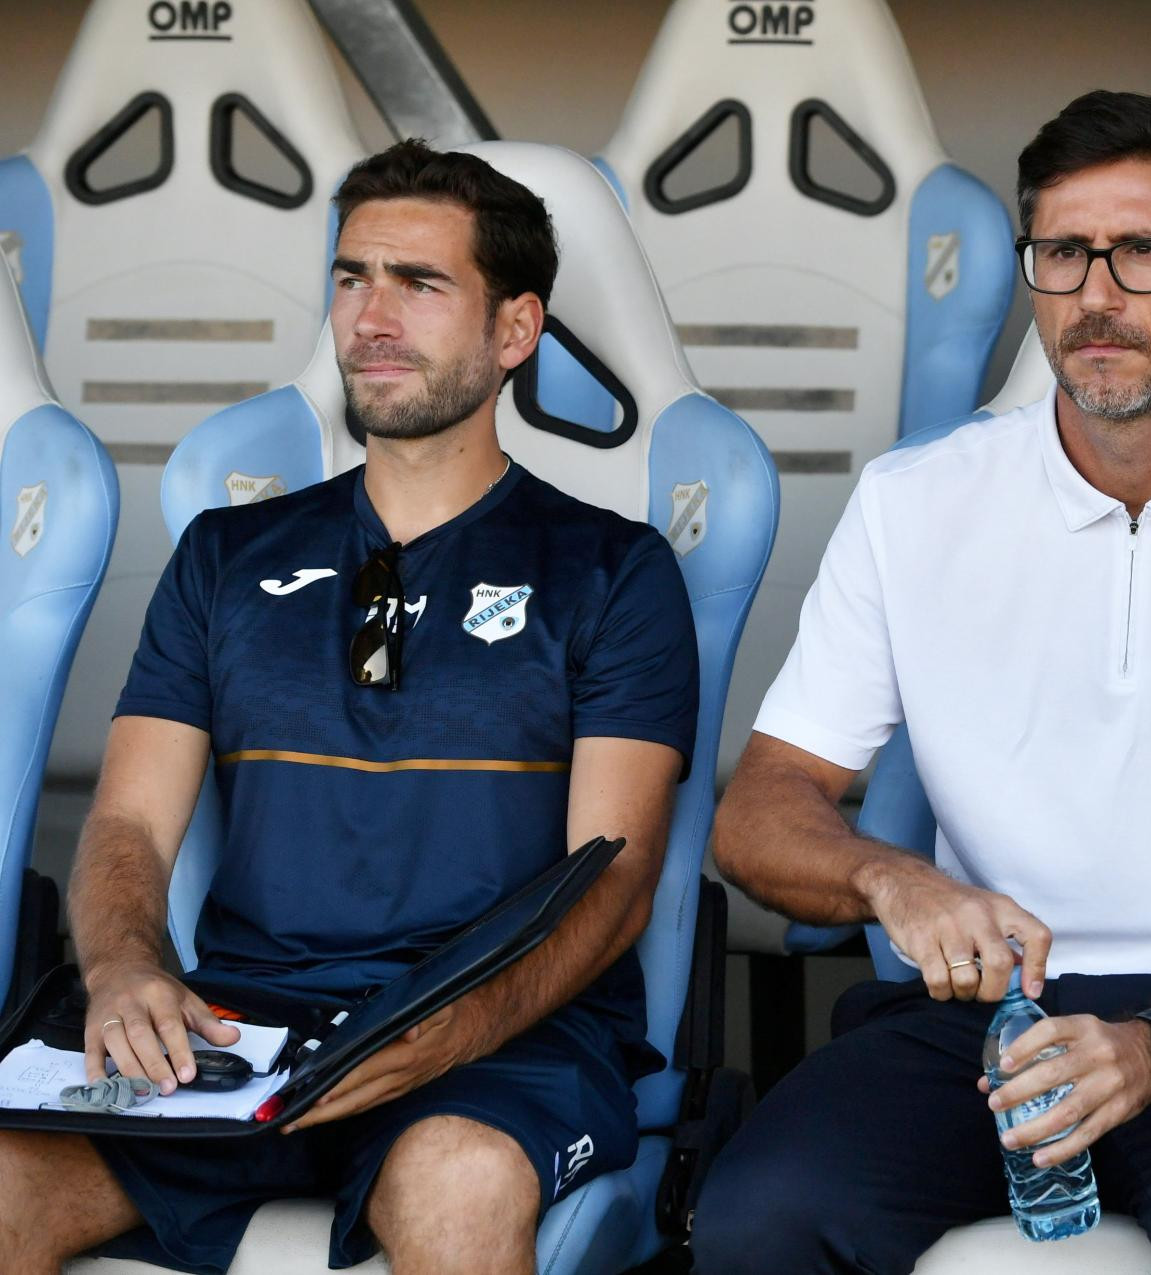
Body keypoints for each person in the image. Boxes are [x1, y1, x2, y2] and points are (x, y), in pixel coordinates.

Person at [696, 91, 1151, 1274]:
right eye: (1063, 253)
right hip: (986, 1024)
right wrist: (892, 878)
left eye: (1142, 252)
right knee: (758, 1215)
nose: (1095, 295)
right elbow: (759, 813)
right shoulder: (913, 505)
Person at [0, 141, 699, 1275]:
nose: (372, 317)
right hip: (242, 1027)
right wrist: (126, 968)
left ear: (515, 330)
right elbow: (126, 825)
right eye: (351, 278)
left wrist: (447, 1034)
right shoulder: (224, 557)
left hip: (503, 1038)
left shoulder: (614, 572)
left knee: (456, 1180)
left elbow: (613, 884)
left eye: (419, 284)